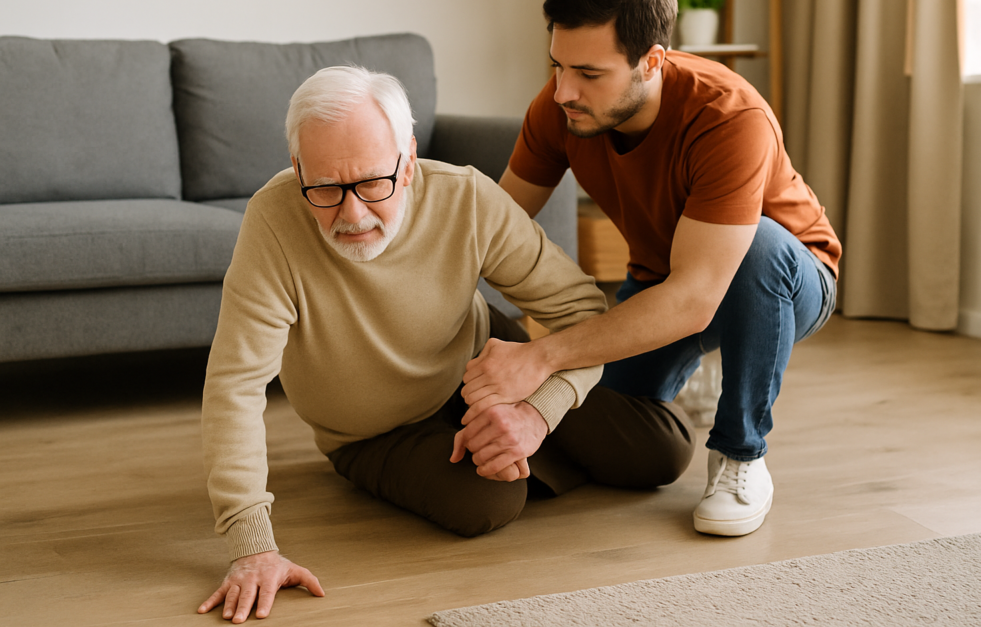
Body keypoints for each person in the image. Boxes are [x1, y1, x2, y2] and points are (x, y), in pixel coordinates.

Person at [197, 65, 695, 623]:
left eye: (371, 183)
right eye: (326, 189)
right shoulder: (273, 221)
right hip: (374, 433)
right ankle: (517, 452)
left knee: (666, 451)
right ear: (297, 170)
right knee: (486, 503)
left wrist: (537, 410)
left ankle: (517, 440)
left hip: (482, 368)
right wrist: (252, 546)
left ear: (408, 161)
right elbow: (234, 386)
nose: (352, 214)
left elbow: (578, 308)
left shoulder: (465, 197)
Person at [461, 0, 841, 539]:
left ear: (652, 61)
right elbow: (495, 226)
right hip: (666, 277)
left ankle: (741, 455)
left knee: (757, 247)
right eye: (558, 65)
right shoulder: (560, 106)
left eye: (589, 73)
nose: (564, 90)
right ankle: (685, 382)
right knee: (608, 408)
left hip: (788, 274)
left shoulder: (730, 117)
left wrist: (542, 354)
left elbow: (694, 298)